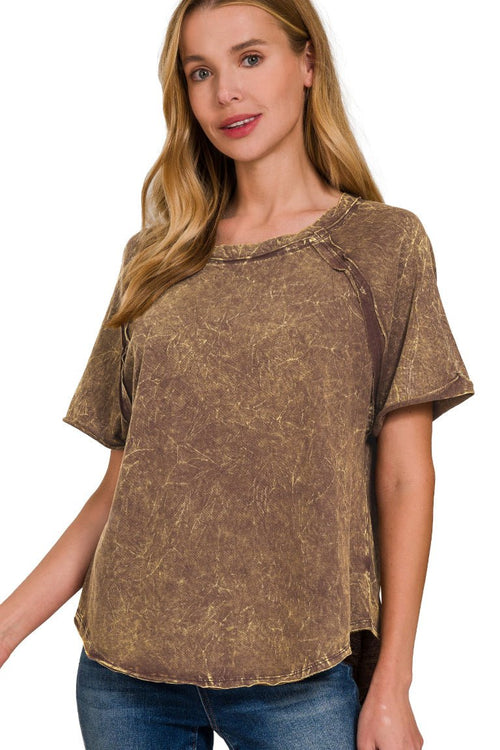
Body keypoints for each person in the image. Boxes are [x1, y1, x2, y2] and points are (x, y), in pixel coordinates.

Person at [0, 0, 474, 748]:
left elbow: (406, 480)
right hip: (125, 678)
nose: (226, 93)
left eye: (250, 58)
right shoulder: (156, 259)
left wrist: (393, 684)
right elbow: (124, 488)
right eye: (200, 72)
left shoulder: (383, 247)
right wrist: (5, 628)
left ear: (308, 63)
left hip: (303, 679)